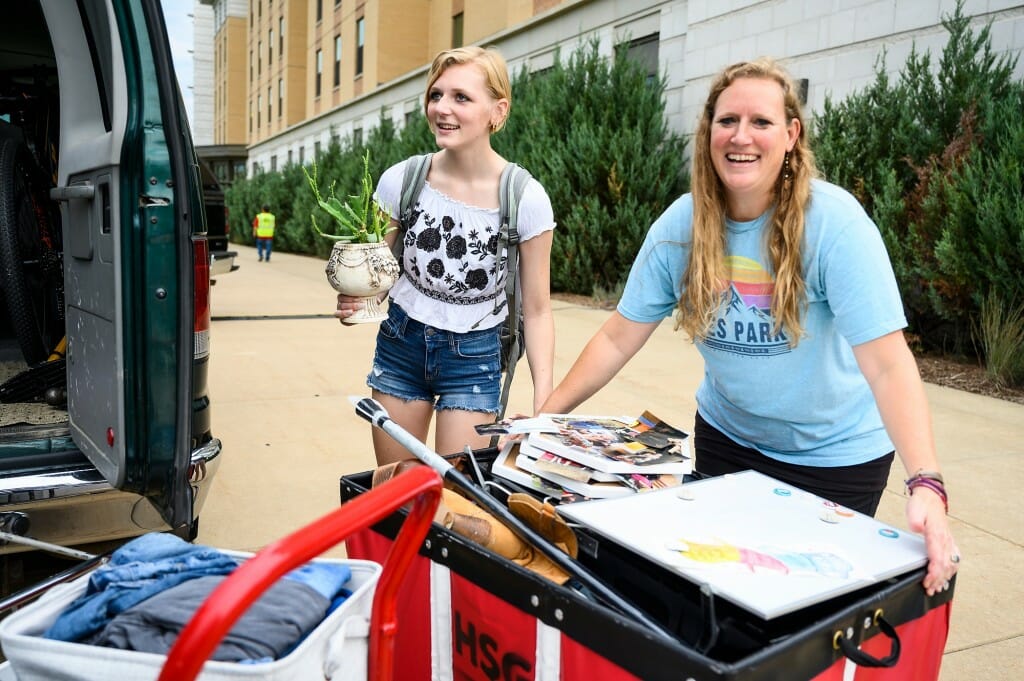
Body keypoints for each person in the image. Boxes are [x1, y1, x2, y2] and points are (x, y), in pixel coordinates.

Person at [539, 58, 959, 597]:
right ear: (708, 133)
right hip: (728, 441)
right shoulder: (681, 226)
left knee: (798, 608)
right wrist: (542, 422)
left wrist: (926, 482)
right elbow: (619, 336)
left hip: (833, 460)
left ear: (791, 135)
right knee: (717, 593)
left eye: (760, 122)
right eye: (726, 121)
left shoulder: (836, 224)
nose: (741, 136)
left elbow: (887, 364)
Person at [335, 46, 556, 465]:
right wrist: (357, 299)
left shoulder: (525, 198)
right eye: (436, 95)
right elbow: (379, 272)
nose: (442, 108)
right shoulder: (403, 179)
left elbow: (539, 311)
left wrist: (545, 397)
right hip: (401, 344)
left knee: (457, 498)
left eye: (461, 97)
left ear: (498, 110)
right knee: (397, 492)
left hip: (474, 357)